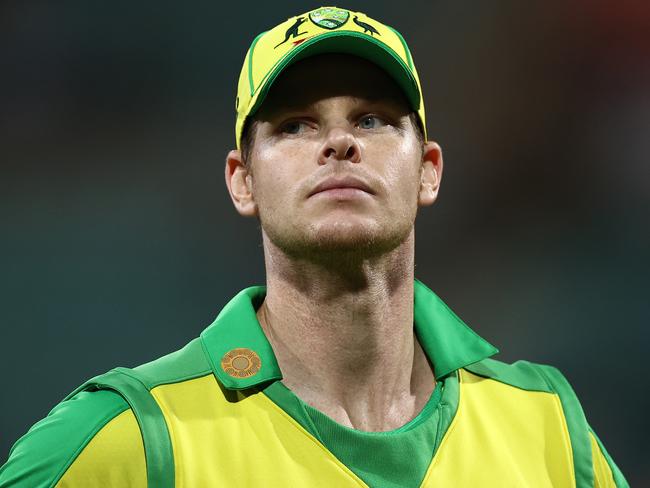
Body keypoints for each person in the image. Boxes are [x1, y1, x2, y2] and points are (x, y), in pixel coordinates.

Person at [0, 6, 627, 487]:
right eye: (295, 124)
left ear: (429, 170)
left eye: (373, 119)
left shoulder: (546, 424)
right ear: (242, 182)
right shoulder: (132, 436)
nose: (338, 143)